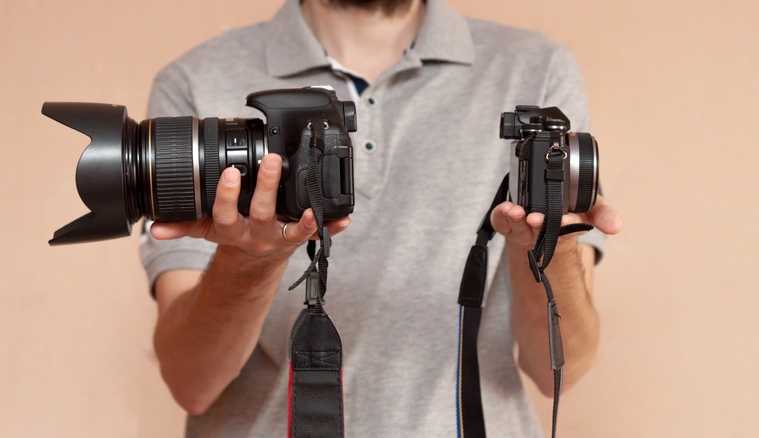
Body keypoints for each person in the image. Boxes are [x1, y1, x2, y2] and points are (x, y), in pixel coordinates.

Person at [141, 0, 623, 436]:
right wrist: (250, 260)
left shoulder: (536, 69)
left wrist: (549, 246)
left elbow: (561, 368)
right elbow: (191, 383)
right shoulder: (194, 80)